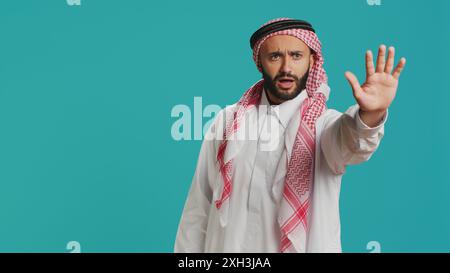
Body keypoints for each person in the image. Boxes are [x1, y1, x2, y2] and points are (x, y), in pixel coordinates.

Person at [174, 18, 406, 253]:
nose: (286, 67)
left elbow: (353, 142)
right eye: (275, 56)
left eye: (296, 56)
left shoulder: (322, 125)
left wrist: (371, 114)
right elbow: (199, 209)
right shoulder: (227, 121)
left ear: (312, 60)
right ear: (260, 63)